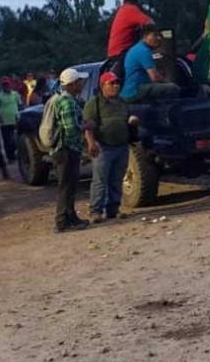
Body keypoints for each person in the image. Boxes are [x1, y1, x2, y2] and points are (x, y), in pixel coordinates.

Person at [83, 72, 138, 224]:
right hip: (103, 147)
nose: (116, 86)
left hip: (121, 146)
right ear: (103, 86)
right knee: (100, 180)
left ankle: (113, 209)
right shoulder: (94, 103)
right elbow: (88, 125)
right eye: (111, 83)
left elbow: (127, 117)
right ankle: (96, 211)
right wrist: (91, 143)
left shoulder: (122, 102)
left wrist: (132, 121)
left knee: (116, 179)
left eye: (117, 83)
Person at [53, 68, 90, 233]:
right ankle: (62, 221)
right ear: (72, 84)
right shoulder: (67, 102)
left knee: (69, 185)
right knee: (66, 186)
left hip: (65, 149)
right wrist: (86, 127)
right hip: (66, 149)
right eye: (79, 82)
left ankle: (70, 217)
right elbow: (71, 129)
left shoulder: (65, 99)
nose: (81, 85)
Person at [121, 26, 181, 103]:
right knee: (173, 88)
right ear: (145, 36)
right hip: (136, 90)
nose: (159, 38)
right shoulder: (144, 51)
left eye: (159, 35)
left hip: (132, 90)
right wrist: (168, 81)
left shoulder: (137, 48)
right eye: (155, 35)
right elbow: (154, 77)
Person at [107, 0, 154, 74]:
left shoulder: (122, 10)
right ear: (135, 2)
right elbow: (150, 22)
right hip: (123, 51)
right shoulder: (131, 9)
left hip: (114, 51)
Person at [0, 77, 22, 162]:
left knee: (16, 139)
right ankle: (10, 158)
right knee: (7, 140)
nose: (6, 86)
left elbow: (20, 105)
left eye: (7, 84)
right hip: (4, 122)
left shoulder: (15, 94)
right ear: (2, 86)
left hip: (15, 121)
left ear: (10, 85)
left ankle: (18, 154)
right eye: (4, 85)